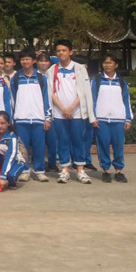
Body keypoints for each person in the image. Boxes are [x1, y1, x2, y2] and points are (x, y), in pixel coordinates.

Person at [49, 40, 95, 184]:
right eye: (58, 50)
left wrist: (71, 108)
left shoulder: (80, 68)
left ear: (71, 52)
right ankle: (65, 169)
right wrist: (63, 109)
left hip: (76, 112)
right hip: (59, 112)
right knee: (62, 141)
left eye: (64, 50)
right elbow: (51, 92)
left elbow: (84, 91)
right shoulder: (52, 70)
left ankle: (80, 170)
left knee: (78, 140)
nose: (61, 53)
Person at [91, 54, 133, 183]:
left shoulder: (121, 81)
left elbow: (126, 100)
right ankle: (106, 171)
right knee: (102, 145)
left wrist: (128, 118)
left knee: (118, 146)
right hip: (102, 119)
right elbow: (92, 99)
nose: (107, 65)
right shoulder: (97, 80)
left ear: (116, 65)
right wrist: (93, 117)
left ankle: (119, 171)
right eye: (105, 62)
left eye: (110, 62)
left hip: (118, 119)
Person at [11, 49, 51, 182]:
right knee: (23, 147)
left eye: (28, 59)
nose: (25, 62)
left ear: (34, 61)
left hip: (38, 118)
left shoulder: (41, 78)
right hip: (21, 118)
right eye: (22, 59)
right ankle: (25, 170)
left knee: (39, 147)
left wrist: (47, 117)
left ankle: (39, 171)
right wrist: (13, 117)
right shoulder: (16, 78)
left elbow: (46, 98)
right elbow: (12, 99)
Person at [0, 110, 25, 189]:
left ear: (8, 123)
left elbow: (10, 157)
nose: (0, 126)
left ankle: (10, 181)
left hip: (15, 161)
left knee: (11, 175)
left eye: (3, 123)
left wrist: (3, 177)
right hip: (1, 160)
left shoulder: (12, 137)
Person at [38, 52, 59, 172]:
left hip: (53, 110)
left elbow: (59, 61)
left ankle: (52, 163)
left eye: (46, 61)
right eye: (41, 60)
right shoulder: (34, 74)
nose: (43, 63)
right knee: (39, 140)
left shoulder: (52, 73)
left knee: (52, 139)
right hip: (37, 110)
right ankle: (38, 161)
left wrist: (49, 56)